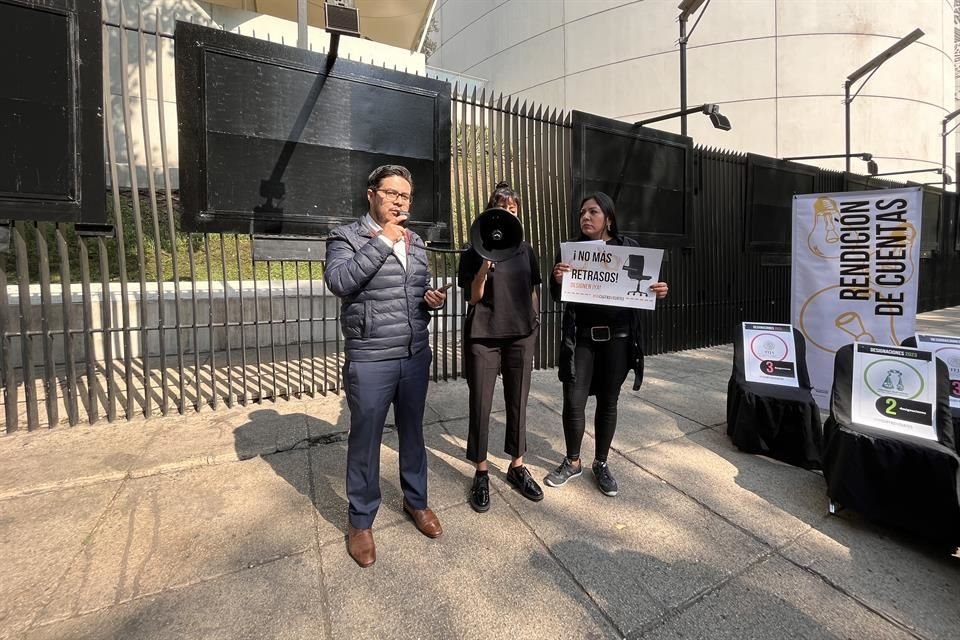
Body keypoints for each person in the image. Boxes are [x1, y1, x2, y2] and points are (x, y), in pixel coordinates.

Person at [324, 165, 448, 568]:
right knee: (366, 439)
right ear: (371, 194)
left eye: (406, 196)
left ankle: (417, 502)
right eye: (392, 193)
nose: (399, 201)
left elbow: (412, 298)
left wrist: (430, 303)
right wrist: (381, 241)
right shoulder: (345, 236)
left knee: (413, 433)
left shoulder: (416, 241)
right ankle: (360, 522)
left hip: (413, 355)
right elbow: (340, 281)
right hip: (370, 357)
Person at [544, 192, 669, 496]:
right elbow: (559, 297)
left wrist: (659, 289)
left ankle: (601, 463)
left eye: (593, 212)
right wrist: (556, 278)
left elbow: (645, 290)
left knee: (608, 402)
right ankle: (573, 461)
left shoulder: (630, 249)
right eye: (582, 213)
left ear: (609, 218)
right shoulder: (573, 253)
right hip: (582, 340)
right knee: (574, 400)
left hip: (618, 341)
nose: (585, 217)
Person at [458, 182, 544, 513]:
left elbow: (533, 288)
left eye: (512, 209)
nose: (507, 213)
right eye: (501, 207)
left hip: (521, 334)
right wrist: (483, 266)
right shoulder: (474, 247)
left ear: (517, 213)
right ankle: (481, 471)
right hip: (484, 335)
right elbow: (473, 297)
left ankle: (516, 466)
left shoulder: (526, 249)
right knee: (480, 403)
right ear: (490, 212)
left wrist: (534, 320)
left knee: (517, 402)